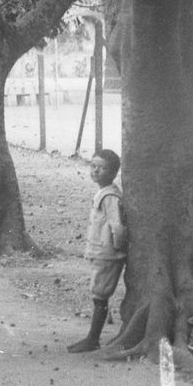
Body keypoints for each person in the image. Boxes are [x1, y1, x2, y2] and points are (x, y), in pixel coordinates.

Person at [69, 148, 126, 352]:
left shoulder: (111, 197)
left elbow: (116, 225)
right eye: (92, 166)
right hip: (100, 251)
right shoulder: (102, 193)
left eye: (101, 168)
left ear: (112, 173)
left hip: (108, 254)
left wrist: (117, 249)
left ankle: (93, 338)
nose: (95, 171)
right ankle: (94, 334)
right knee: (98, 293)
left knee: (100, 295)